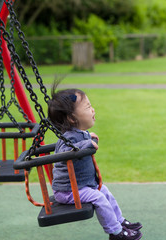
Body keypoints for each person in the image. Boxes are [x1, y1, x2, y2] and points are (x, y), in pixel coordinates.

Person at [47, 85, 143, 240]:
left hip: (82, 185)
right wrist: (86, 144)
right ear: (72, 118)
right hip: (68, 191)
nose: (93, 110)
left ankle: (120, 221)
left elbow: (79, 141)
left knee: (104, 191)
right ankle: (116, 233)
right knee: (98, 198)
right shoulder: (68, 138)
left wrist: (87, 137)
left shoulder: (78, 133)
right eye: (88, 107)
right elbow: (66, 152)